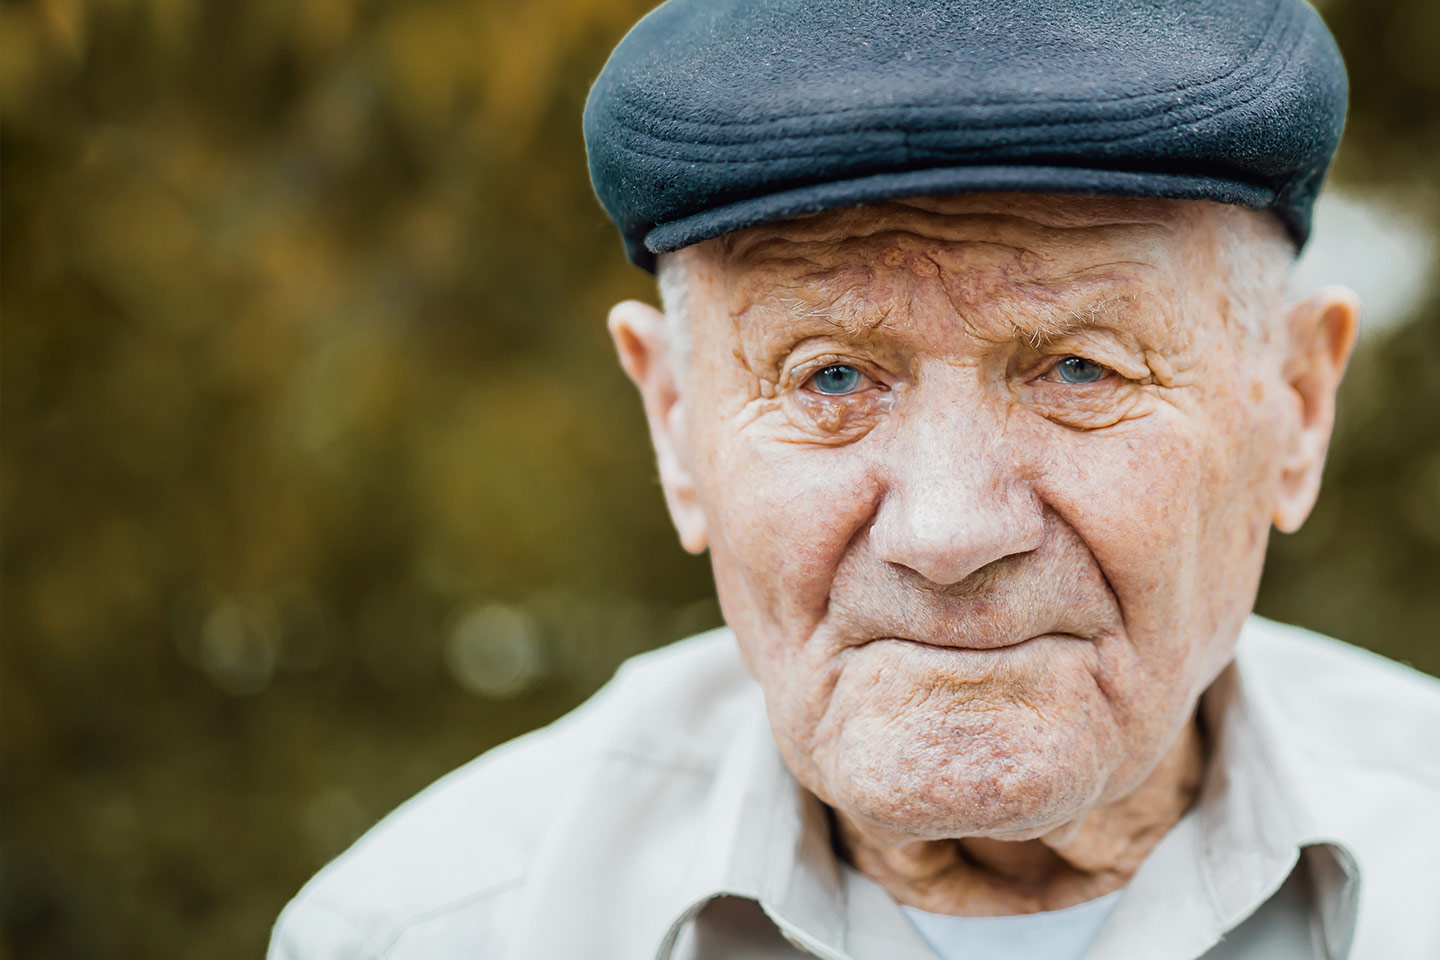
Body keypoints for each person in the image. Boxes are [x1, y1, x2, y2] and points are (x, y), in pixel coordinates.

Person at [268, 1, 1440, 958]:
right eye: (830, 379)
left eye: (1079, 368)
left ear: (1294, 405)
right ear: (676, 425)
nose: (946, 530)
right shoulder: (426, 930)